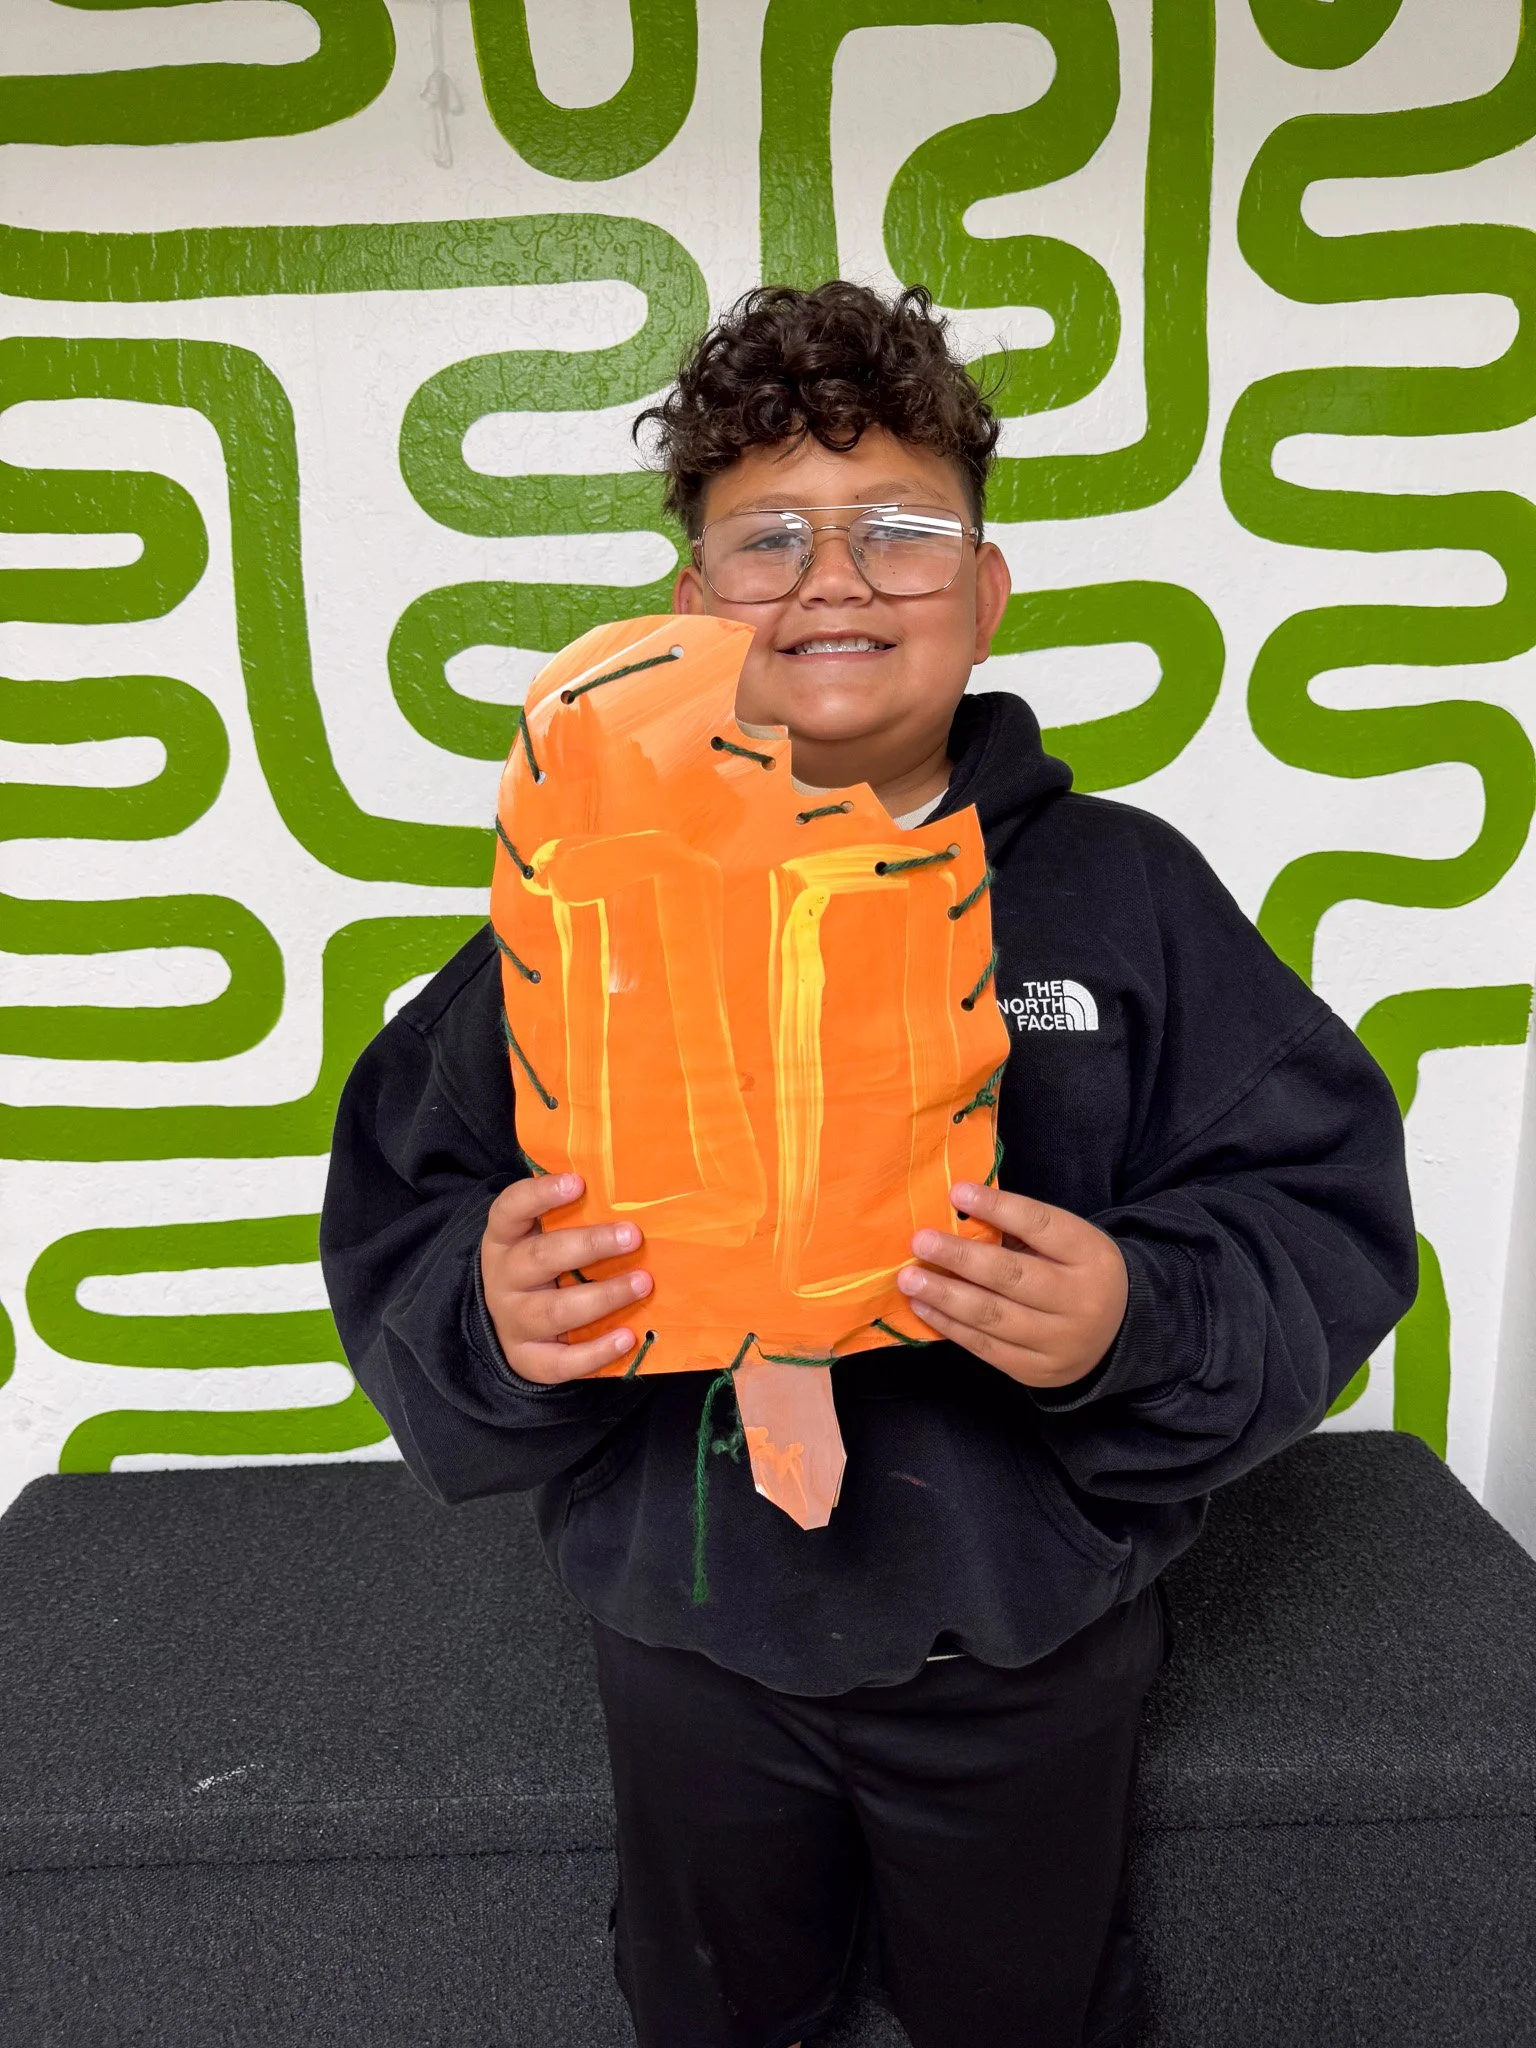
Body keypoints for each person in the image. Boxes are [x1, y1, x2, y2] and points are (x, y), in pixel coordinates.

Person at [320, 282, 1416, 2048]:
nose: (835, 579)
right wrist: (492, 1314)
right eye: (768, 540)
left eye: (900, 532)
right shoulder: (578, 905)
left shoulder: (1128, 896)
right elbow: (411, 1206)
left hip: (1024, 1643)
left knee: (1020, 2010)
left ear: (983, 593)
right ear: (692, 610)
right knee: (711, 2005)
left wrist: (1138, 1315)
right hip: (687, 1636)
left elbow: (1320, 1210)